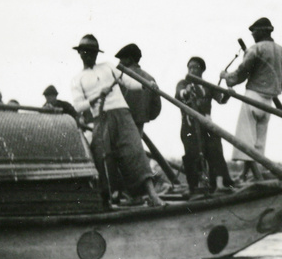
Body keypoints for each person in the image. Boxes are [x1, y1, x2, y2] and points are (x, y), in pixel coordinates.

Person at [70, 34, 163, 207]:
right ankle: (107, 200)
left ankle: (152, 196)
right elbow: (78, 106)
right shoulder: (77, 79)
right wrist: (97, 97)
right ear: (80, 53)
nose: (89, 55)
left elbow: (129, 82)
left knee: (135, 151)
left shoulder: (109, 67)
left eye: (92, 52)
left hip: (122, 114)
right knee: (102, 157)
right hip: (100, 119)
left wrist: (146, 85)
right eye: (85, 52)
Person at [219, 17, 282, 181]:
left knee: (246, 139)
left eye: (254, 31)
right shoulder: (281, 51)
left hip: (253, 97)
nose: (252, 34)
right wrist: (275, 87)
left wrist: (226, 77)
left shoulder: (255, 49)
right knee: (258, 141)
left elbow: (241, 73)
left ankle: (258, 178)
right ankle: (246, 175)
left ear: (262, 31)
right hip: (269, 102)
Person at [176, 57, 234, 195]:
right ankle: (195, 187)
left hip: (207, 124)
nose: (191, 69)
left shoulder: (208, 86)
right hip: (190, 125)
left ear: (202, 70)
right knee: (193, 153)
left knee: (215, 151)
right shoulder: (183, 83)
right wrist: (186, 92)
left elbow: (221, 99)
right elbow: (180, 94)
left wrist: (229, 93)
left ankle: (219, 184)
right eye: (189, 67)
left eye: (195, 67)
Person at [114, 43, 162, 135]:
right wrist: (144, 116)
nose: (119, 63)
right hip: (139, 124)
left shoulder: (120, 75)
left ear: (129, 59)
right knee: (135, 147)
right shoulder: (150, 79)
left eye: (121, 59)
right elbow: (156, 107)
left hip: (119, 122)